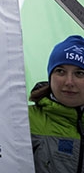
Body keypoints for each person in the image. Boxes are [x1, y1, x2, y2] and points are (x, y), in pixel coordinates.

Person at [29, 35, 84, 172]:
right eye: (60, 71)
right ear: (50, 76)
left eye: (79, 73)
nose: (69, 82)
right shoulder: (25, 120)